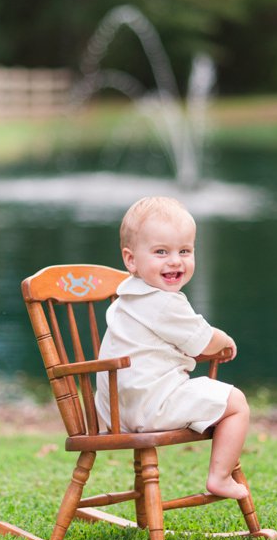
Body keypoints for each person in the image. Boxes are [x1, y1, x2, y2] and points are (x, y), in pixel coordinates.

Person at [96, 196, 249, 501]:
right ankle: (219, 477)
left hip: (114, 411)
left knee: (204, 392)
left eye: (185, 251)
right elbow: (204, 341)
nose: (175, 261)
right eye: (161, 252)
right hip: (154, 406)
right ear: (131, 260)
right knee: (236, 403)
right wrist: (225, 340)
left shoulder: (128, 295)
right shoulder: (164, 302)